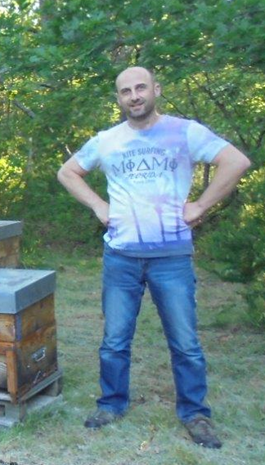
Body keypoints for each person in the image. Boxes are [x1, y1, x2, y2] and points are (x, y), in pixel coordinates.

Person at [57, 66, 251, 449]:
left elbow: (236, 162)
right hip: (121, 256)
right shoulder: (107, 140)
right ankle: (111, 405)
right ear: (118, 98)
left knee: (185, 342)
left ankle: (195, 414)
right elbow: (68, 172)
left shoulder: (185, 131)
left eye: (140, 87)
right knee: (114, 340)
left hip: (172, 256)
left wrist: (201, 204)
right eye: (125, 91)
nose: (134, 95)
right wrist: (98, 205)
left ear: (155, 90)